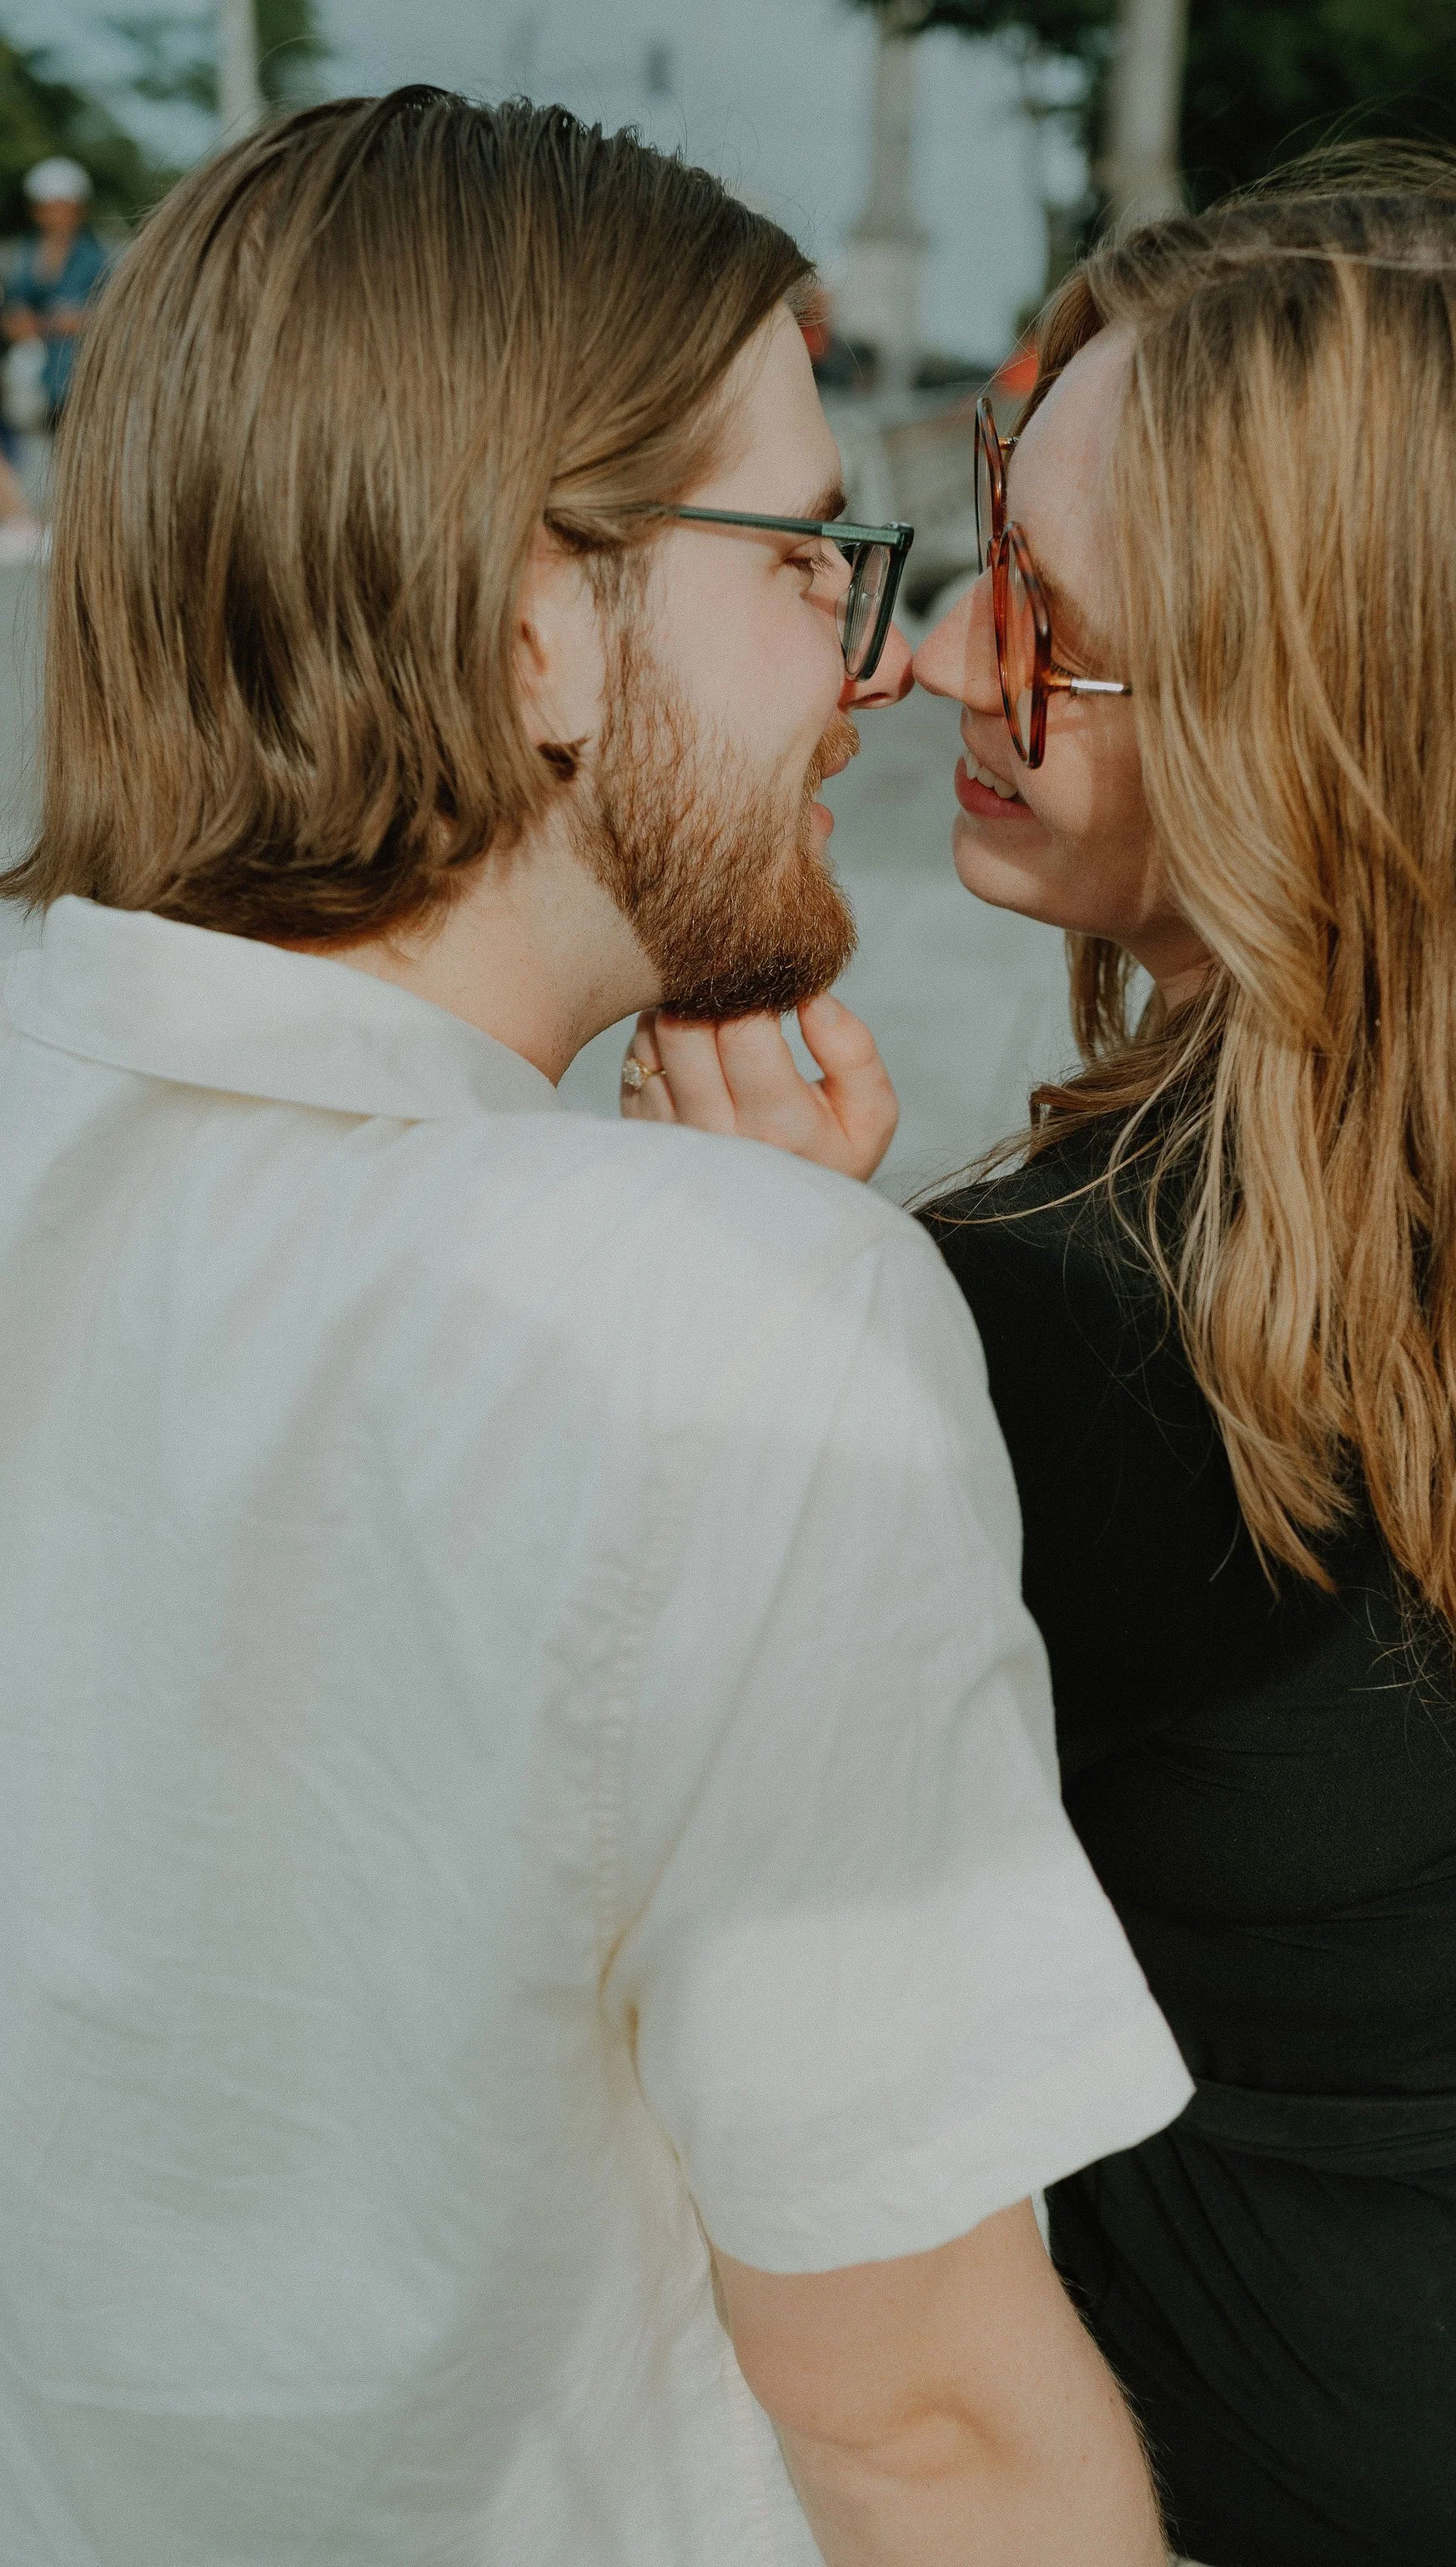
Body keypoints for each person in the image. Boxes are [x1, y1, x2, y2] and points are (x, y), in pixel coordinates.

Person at [0, 91, 1195, 2567]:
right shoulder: (729, 1342)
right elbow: (930, 2428)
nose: (876, 662)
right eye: (804, 560)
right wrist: (748, 1333)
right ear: (540, 623)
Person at [624, 158, 1456, 2567]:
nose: (922, 665)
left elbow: (701, 1947)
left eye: (1059, 628)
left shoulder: (1056, 1333)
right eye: (987, 534)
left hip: (1277, 2402)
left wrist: (779, 1335)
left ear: (1355, 717)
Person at [3, 158, 110, 430]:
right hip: (28, 393)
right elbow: (12, 311)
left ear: (79, 210)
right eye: (48, 208)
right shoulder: (22, 257)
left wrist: (83, 321)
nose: (56, 216)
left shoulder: (95, 259)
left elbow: (116, 318)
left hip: (81, 390)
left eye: (64, 208)